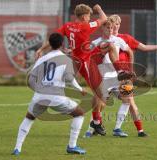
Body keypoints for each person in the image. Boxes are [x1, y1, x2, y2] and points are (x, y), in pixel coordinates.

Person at [35, 4, 119, 136]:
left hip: (79, 59)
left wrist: (41, 49)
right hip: (85, 62)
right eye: (89, 16)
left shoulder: (67, 26)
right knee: (101, 93)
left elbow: (54, 38)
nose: (90, 18)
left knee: (100, 91)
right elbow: (103, 18)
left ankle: (96, 121)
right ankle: (96, 122)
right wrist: (99, 9)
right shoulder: (85, 27)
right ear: (84, 16)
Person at [12, 33, 87, 155]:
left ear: (49, 44)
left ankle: (17, 148)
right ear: (62, 44)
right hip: (56, 97)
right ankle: (72, 146)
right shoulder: (65, 59)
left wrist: (39, 90)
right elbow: (69, 78)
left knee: (29, 117)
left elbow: (31, 79)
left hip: (39, 96)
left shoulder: (42, 59)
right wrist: (80, 89)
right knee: (79, 113)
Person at [109, 14, 157, 137]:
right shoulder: (105, 40)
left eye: (117, 25)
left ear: (119, 25)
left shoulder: (126, 38)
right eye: (112, 25)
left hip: (124, 76)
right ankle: (94, 127)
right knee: (101, 102)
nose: (114, 28)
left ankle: (139, 130)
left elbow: (144, 47)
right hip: (108, 76)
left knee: (130, 102)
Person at [84, 19, 135, 137]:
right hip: (103, 76)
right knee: (100, 104)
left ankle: (117, 129)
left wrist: (130, 69)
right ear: (102, 28)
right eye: (108, 28)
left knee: (127, 98)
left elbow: (130, 52)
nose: (110, 30)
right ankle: (90, 130)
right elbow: (86, 53)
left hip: (117, 76)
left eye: (112, 28)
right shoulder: (96, 42)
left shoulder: (118, 40)